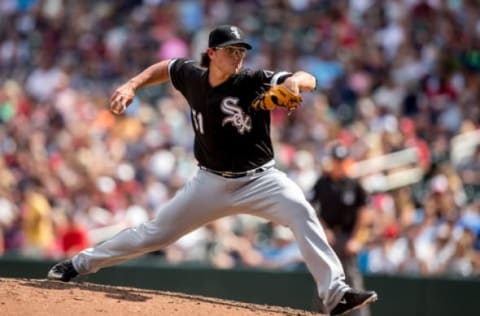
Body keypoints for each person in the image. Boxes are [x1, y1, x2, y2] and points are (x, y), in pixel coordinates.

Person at [47, 25, 377, 315]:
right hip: (210, 182)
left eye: (241, 51)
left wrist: (294, 83)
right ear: (211, 53)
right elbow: (167, 67)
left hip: (261, 179)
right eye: (231, 51)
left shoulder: (251, 80)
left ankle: (336, 295)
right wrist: (132, 84)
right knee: (155, 233)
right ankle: (77, 264)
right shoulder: (192, 77)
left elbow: (307, 79)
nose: (238, 57)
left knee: (301, 212)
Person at [309, 142, 373, 316]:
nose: (338, 164)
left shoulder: (354, 184)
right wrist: (324, 230)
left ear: (347, 162)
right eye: (336, 160)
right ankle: (320, 313)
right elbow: (310, 209)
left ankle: (360, 314)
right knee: (323, 276)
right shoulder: (322, 183)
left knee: (351, 277)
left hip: (347, 236)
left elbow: (364, 213)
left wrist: (356, 238)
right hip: (328, 237)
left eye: (341, 160)